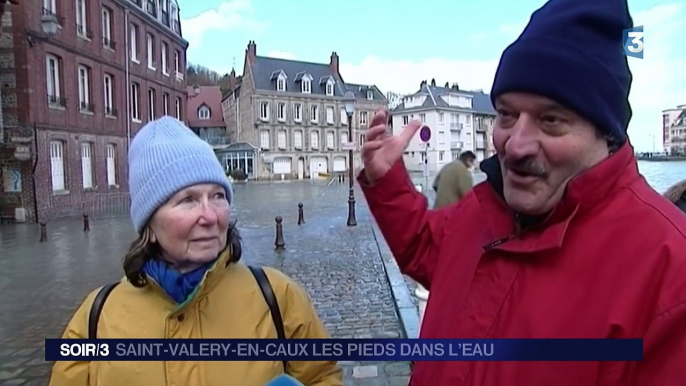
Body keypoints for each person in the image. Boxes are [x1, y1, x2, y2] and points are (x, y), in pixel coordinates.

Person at [357, 0, 686, 384]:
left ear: (607, 132)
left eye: (551, 120)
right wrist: (387, 181)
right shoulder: (484, 210)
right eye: (507, 115)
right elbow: (425, 249)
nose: (515, 144)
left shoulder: (669, 272)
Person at [48, 116, 342, 386]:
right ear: (149, 222)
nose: (211, 216)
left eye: (217, 196)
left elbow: (323, 377)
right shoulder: (96, 318)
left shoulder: (278, 297)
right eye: (187, 200)